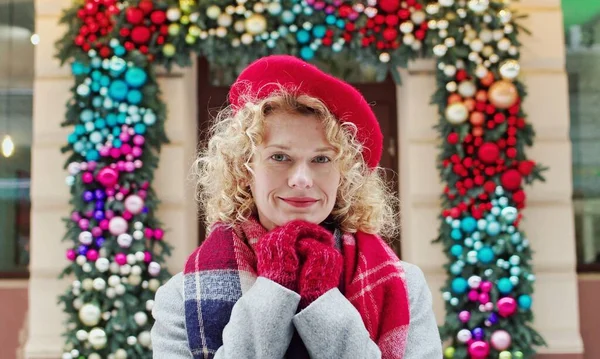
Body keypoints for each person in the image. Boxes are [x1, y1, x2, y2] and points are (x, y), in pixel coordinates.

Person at [150, 55, 443, 359]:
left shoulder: (404, 287)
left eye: (321, 159)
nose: (302, 179)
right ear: (244, 168)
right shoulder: (181, 297)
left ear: (343, 175)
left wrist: (322, 301)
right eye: (280, 157)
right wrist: (274, 290)